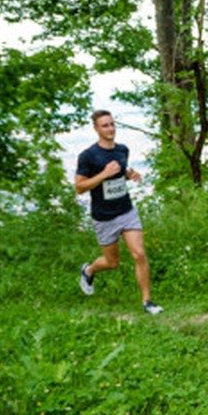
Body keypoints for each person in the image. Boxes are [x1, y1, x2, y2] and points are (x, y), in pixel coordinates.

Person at [74, 110, 163, 314]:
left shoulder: (122, 150)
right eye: (105, 125)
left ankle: (147, 301)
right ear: (96, 129)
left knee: (139, 254)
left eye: (112, 124)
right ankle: (89, 270)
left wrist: (129, 174)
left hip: (126, 211)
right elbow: (79, 187)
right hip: (104, 217)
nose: (110, 128)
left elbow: (120, 171)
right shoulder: (88, 156)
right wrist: (104, 174)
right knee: (112, 263)